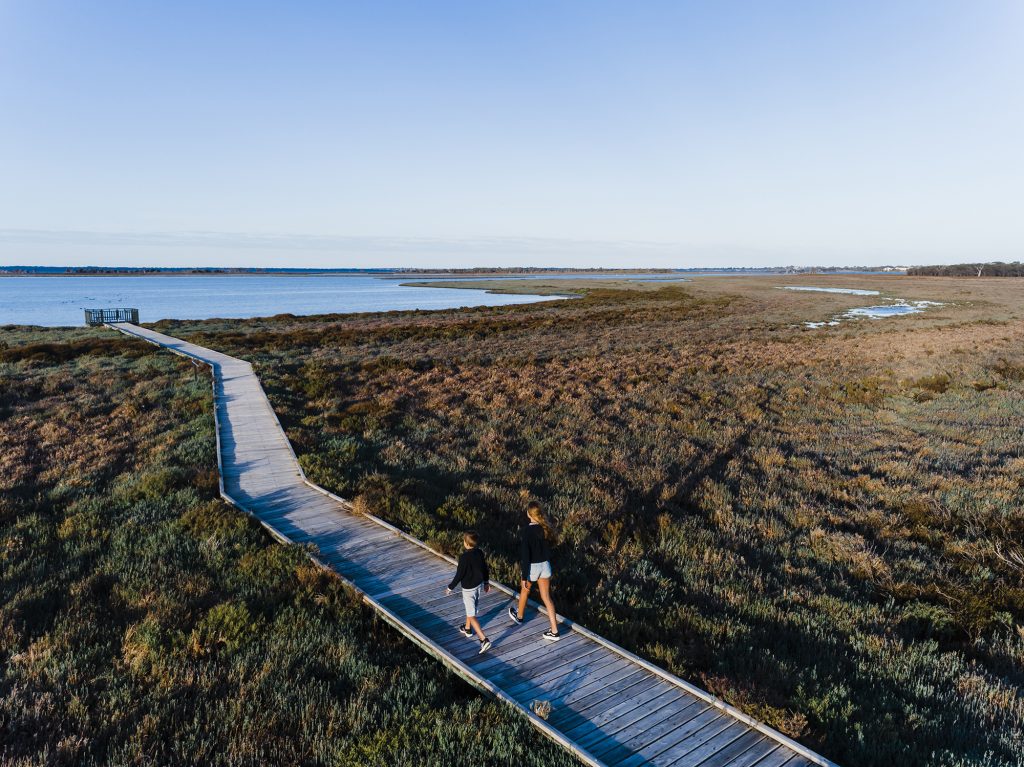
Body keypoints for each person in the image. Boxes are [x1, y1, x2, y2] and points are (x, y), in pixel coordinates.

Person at [508, 500, 560, 640]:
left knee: (525, 590)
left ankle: (519, 617)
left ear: (528, 514)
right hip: (545, 566)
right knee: (547, 598)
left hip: (533, 567)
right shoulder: (544, 528)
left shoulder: (526, 531)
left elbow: (526, 556)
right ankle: (554, 631)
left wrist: (524, 577)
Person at [446, 531, 492, 653]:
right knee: (470, 609)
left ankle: (484, 639)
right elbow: (485, 568)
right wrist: (487, 582)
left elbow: (459, 575)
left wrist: (450, 587)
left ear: (466, 543)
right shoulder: (480, 553)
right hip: (478, 586)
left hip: (468, 590)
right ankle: (467, 629)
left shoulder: (464, 557)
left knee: (471, 615)